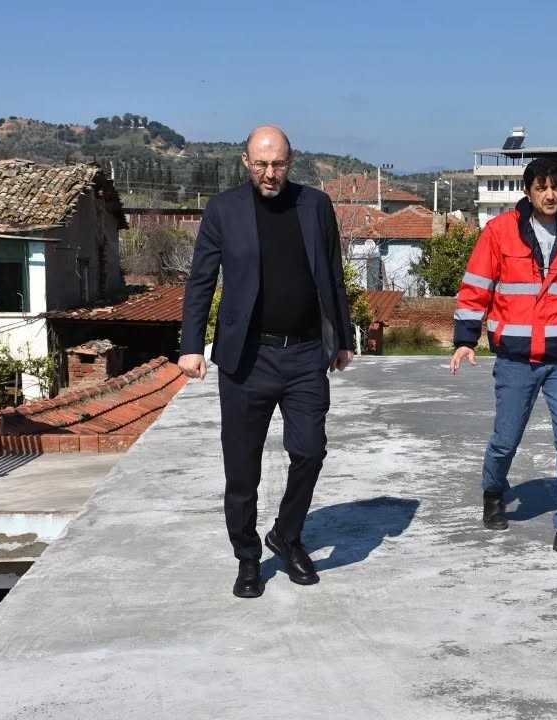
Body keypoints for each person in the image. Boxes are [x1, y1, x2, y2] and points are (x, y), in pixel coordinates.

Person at [179, 124, 354, 597]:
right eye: (261, 164)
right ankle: (247, 558)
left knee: (310, 451)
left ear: (290, 162)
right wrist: (191, 345)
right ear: (246, 162)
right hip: (246, 358)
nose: (270, 173)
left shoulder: (315, 205)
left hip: (304, 354)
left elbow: (332, 273)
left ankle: (287, 535)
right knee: (242, 469)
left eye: (277, 164)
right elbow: (201, 280)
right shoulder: (224, 210)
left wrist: (342, 337)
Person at [450, 157, 557, 562]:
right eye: (542, 187)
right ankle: (494, 490)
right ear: (528, 191)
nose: (550, 194)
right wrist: (465, 339)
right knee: (505, 440)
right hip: (517, 358)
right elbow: (476, 287)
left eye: (556, 186)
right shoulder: (499, 232)